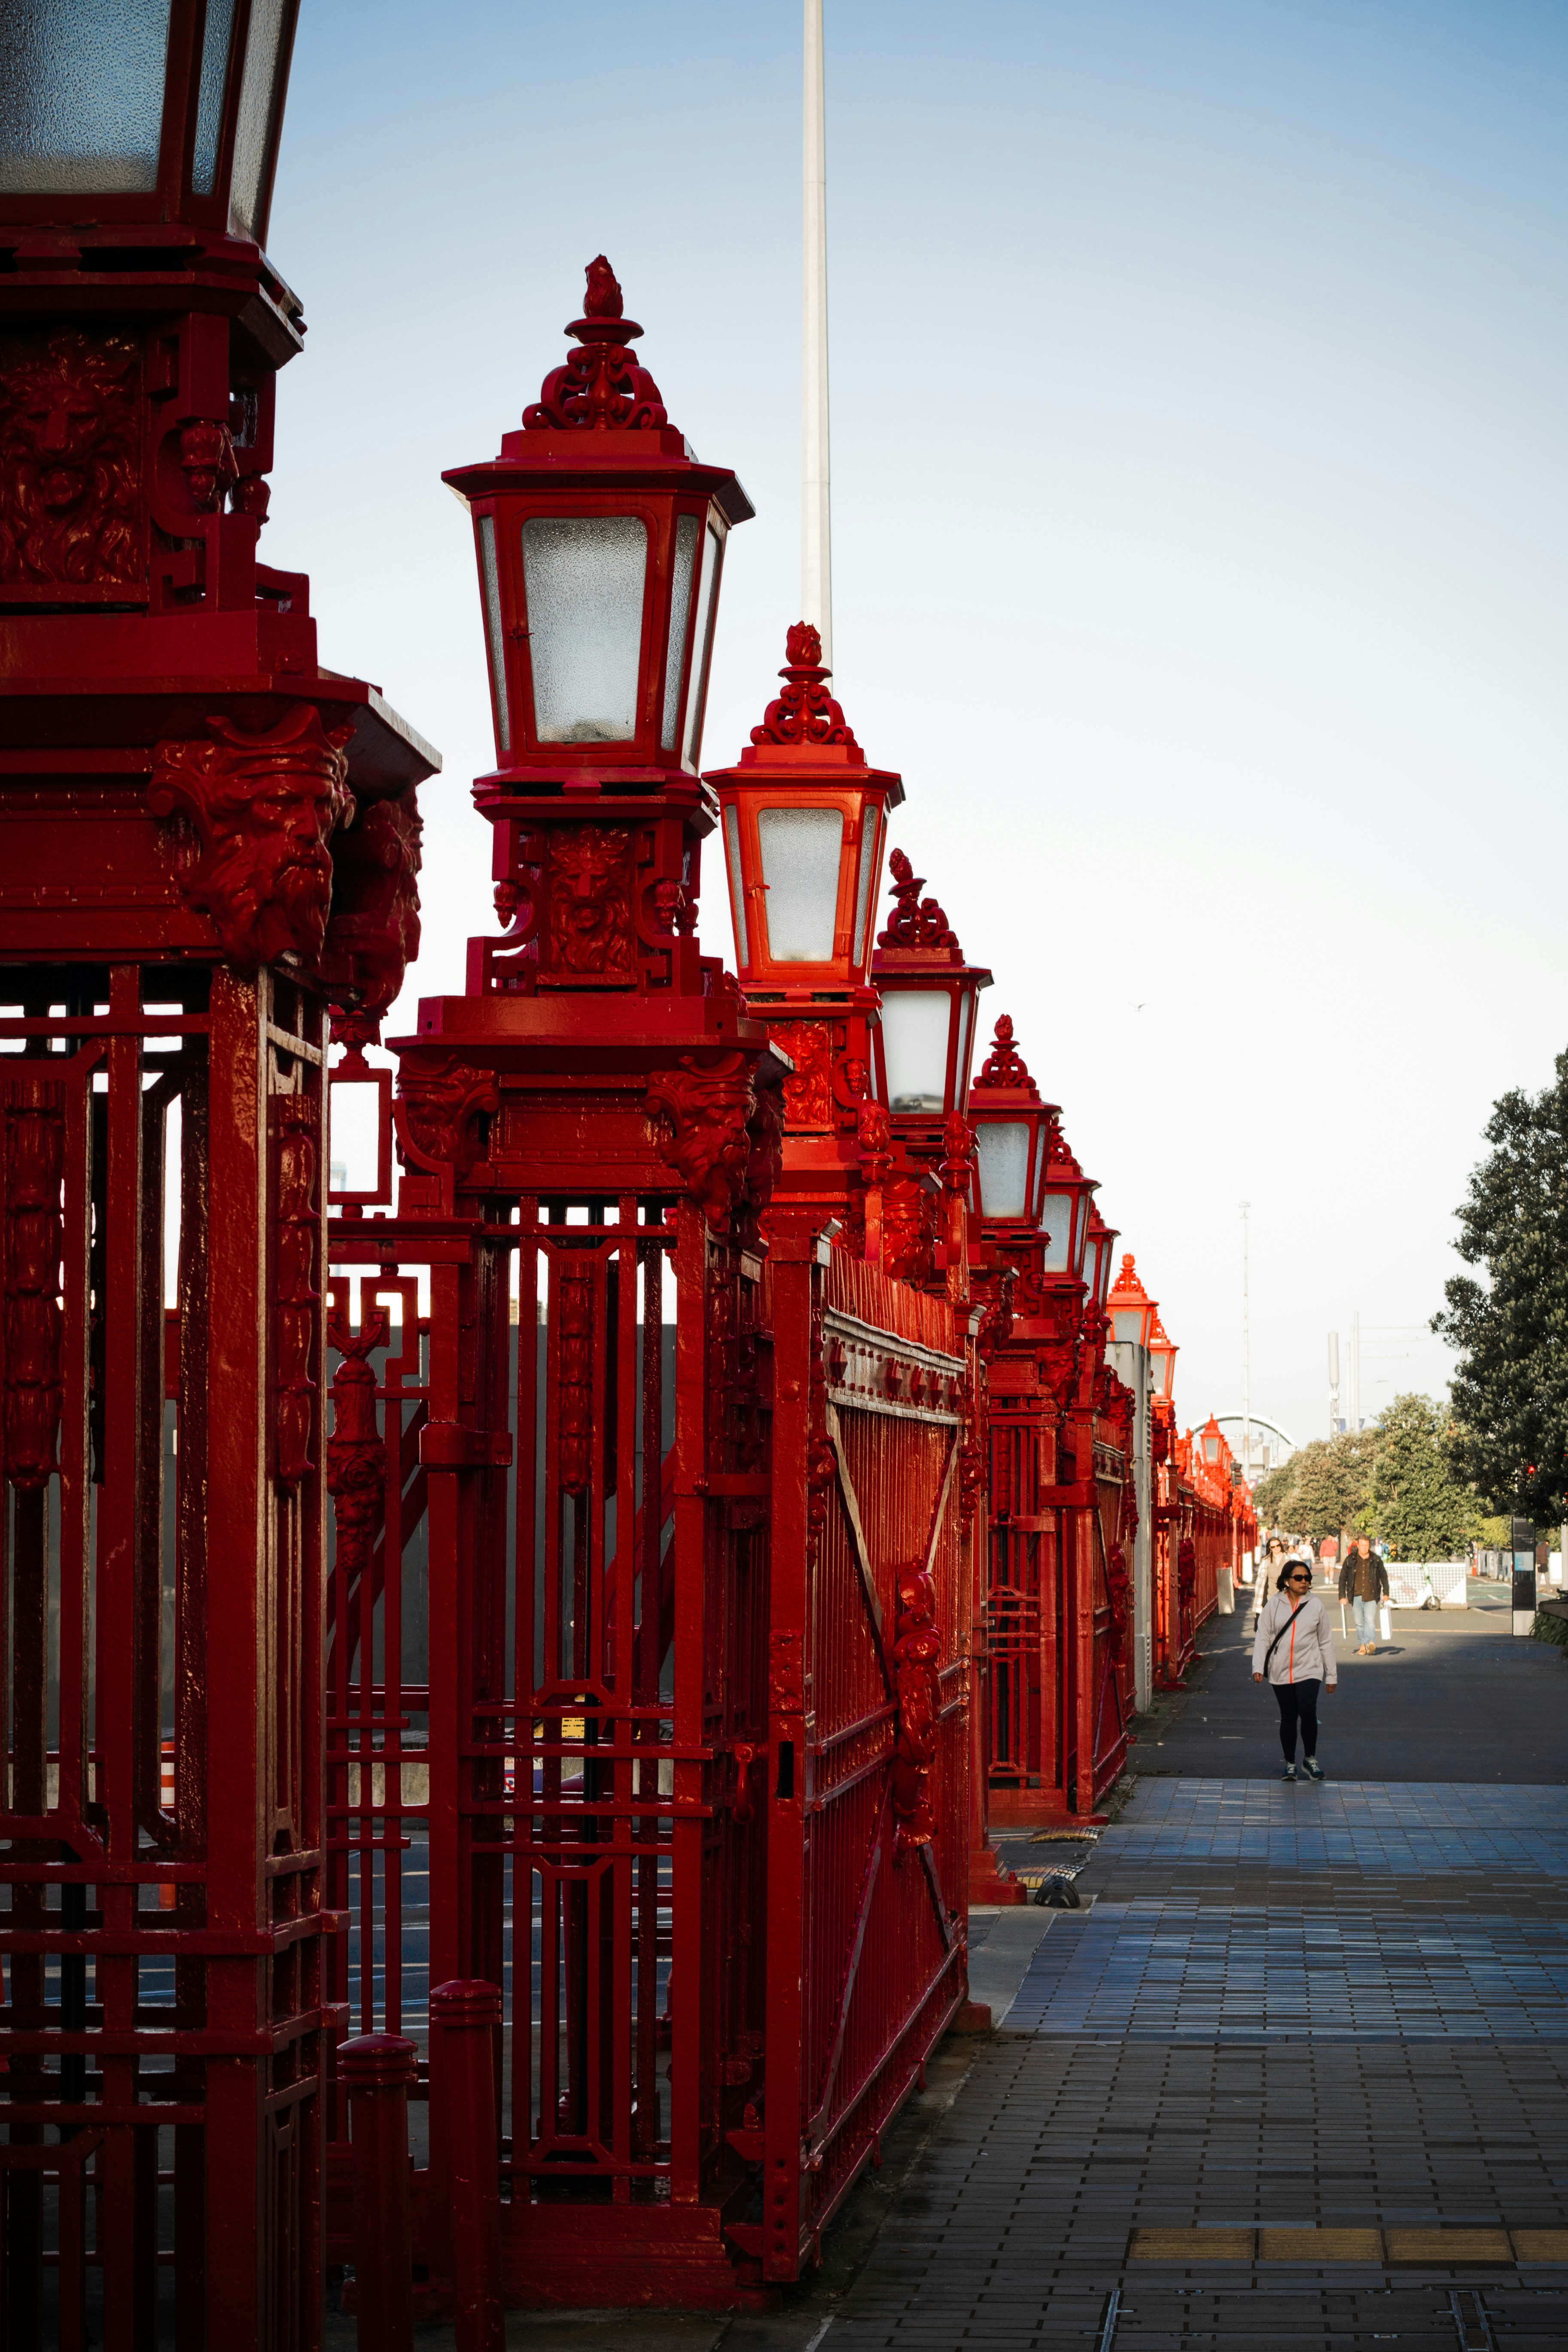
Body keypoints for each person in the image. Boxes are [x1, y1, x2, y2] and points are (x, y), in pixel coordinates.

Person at [1252, 1557, 1336, 1781]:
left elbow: (1326, 1641)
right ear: (1287, 1581)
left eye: (1307, 1578)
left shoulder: (1315, 1605)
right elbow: (1262, 1636)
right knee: (1288, 1716)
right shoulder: (1274, 1603)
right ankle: (1290, 1764)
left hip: (1310, 1668)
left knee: (1308, 1712)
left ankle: (1310, 1758)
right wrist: (1258, 1666)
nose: (1304, 1582)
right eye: (1299, 1578)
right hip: (1281, 1670)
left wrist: (1331, 1676)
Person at [1338, 1534, 1390, 1655]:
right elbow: (1343, 1578)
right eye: (1362, 1545)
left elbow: (1384, 1575)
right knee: (1359, 1622)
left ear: (1369, 1545)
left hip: (1372, 1595)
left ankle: (1371, 1643)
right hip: (1356, 1595)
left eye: (1366, 1545)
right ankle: (1362, 1645)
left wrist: (1386, 1593)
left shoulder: (1376, 1559)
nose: (1364, 1548)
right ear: (1358, 1545)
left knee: (1370, 1620)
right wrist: (1342, 1596)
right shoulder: (1350, 1560)